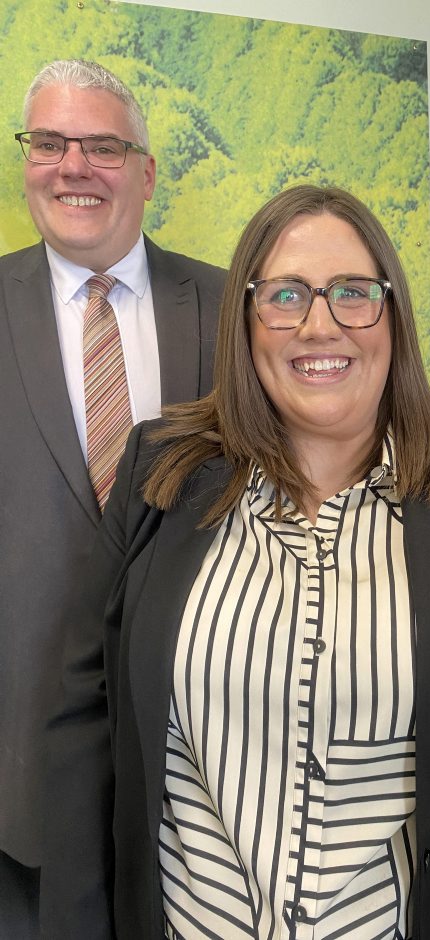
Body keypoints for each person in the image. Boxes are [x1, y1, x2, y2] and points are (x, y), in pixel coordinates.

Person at [43, 185, 430, 940]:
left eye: (352, 293)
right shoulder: (161, 471)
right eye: (285, 295)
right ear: (246, 321)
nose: (320, 324)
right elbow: (86, 739)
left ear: (392, 314)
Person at [0, 59, 225, 937]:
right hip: (19, 787)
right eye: (49, 143)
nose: (73, 167)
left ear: (146, 171)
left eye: (101, 146)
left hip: (205, 777)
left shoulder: (232, 310)